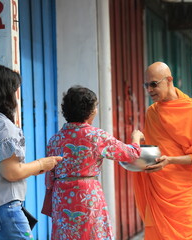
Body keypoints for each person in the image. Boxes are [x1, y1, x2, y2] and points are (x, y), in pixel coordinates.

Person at [133, 62, 192, 240]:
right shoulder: (152, 112)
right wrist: (136, 142)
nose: (149, 90)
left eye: (154, 84)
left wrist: (171, 160)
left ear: (169, 80)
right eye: (146, 85)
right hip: (158, 190)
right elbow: (151, 153)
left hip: (182, 191)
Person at [45, 86, 144, 239]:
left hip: (61, 198)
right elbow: (131, 154)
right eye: (95, 107)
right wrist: (136, 138)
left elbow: (49, 179)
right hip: (87, 196)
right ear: (90, 111)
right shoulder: (96, 136)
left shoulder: (54, 140)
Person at [0, 64, 62, 239]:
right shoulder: (2, 126)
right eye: (15, 92)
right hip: (5, 209)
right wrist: (42, 164)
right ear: (5, 94)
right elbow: (11, 172)